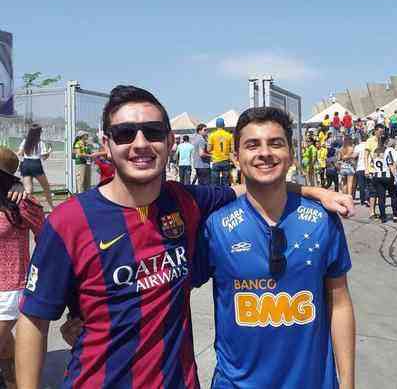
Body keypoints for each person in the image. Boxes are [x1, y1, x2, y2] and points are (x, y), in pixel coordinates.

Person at [18, 86, 354, 389]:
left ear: (169, 141)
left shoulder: (186, 202)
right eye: (124, 134)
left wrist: (311, 191)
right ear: (106, 144)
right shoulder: (69, 221)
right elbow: (33, 320)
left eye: (152, 132)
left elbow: (254, 185)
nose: (139, 144)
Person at [198, 106, 355, 388]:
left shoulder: (323, 221)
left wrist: (348, 383)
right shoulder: (215, 226)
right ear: (236, 157)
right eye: (252, 145)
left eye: (275, 143)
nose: (265, 152)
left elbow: (340, 303)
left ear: (291, 155)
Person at [0, 147, 45, 389]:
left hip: (9, 288)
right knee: (5, 346)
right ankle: (12, 382)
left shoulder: (21, 204)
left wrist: (38, 274)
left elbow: (46, 238)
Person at [17, 123, 54, 210]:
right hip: (36, 164)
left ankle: (24, 208)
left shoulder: (25, 141)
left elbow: (20, 153)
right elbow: (44, 157)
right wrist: (49, 151)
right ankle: (52, 207)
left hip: (25, 164)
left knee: (28, 190)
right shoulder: (40, 143)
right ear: (38, 133)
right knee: (46, 187)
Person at [370, 138, 397, 222]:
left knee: (381, 197)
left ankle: (383, 216)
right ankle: (395, 215)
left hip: (377, 175)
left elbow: (372, 164)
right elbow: (392, 164)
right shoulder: (389, 151)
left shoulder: (375, 151)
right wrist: (395, 177)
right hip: (387, 175)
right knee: (393, 195)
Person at [365, 124, 385, 219]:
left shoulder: (382, 141)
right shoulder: (370, 141)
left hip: (381, 170)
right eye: (380, 132)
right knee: (373, 192)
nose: (381, 133)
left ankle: (381, 211)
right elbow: (366, 156)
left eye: (382, 132)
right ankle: (372, 212)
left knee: (380, 192)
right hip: (372, 170)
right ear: (375, 131)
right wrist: (366, 169)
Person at [208, 118, 234, 186]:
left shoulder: (212, 135)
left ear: (216, 125)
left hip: (216, 161)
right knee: (225, 182)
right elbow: (232, 150)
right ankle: (226, 195)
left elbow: (209, 149)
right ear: (224, 125)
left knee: (215, 183)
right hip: (226, 160)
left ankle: (216, 195)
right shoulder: (229, 135)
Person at [352, 134, 368, 204]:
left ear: (361, 139)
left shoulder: (358, 147)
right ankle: (368, 198)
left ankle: (362, 199)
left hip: (360, 167)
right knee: (368, 184)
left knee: (361, 185)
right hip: (368, 167)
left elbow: (354, 156)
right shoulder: (368, 146)